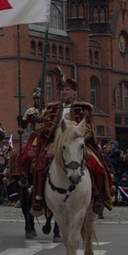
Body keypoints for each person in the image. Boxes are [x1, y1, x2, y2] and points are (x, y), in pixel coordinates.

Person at [30, 68, 114, 217]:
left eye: (67, 90)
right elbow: (48, 127)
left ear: (73, 92)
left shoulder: (83, 107)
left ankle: (97, 196)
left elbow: (88, 126)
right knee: (39, 164)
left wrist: (77, 136)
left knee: (97, 165)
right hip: (56, 143)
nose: (64, 92)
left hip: (77, 141)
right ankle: (38, 197)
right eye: (62, 90)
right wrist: (40, 127)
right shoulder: (53, 108)